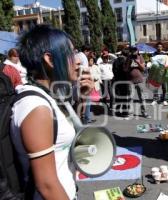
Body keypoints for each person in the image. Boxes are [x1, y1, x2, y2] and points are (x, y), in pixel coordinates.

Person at [11, 25, 94, 199]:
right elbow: (46, 184)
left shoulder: (52, 95)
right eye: (71, 54)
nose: (78, 60)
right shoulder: (36, 107)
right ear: (49, 59)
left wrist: (81, 98)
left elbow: (67, 132)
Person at [125, 47, 150, 118]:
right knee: (130, 98)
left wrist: (138, 63)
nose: (134, 52)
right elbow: (125, 69)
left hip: (140, 80)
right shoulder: (128, 58)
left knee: (142, 97)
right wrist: (129, 63)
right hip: (130, 81)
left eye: (135, 50)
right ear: (131, 51)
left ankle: (144, 113)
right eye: (132, 50)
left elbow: (143, 68)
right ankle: (130, 114)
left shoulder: (140, 57)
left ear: (137, 51)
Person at [113, 48, 131, 118]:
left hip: (117, 80)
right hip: (125, 81)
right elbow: (127, 71)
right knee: (124, 96)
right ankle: (124, 112)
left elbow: (113, 70)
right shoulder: (126, 61)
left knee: (118, 96)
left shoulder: (115, 61)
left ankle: (117, 111)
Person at [151, 42, 168, 106]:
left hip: (163, 72)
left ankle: (164, 99)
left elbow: (167, 62)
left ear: (162, 47)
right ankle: (155, 99)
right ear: (156, 47)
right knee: (155, 87)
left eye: (160, 47)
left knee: (164, 87)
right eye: (158, 46)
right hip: (156, 73)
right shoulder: (153, 54)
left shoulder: (165, 54)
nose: (159, 48)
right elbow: (153, 62)